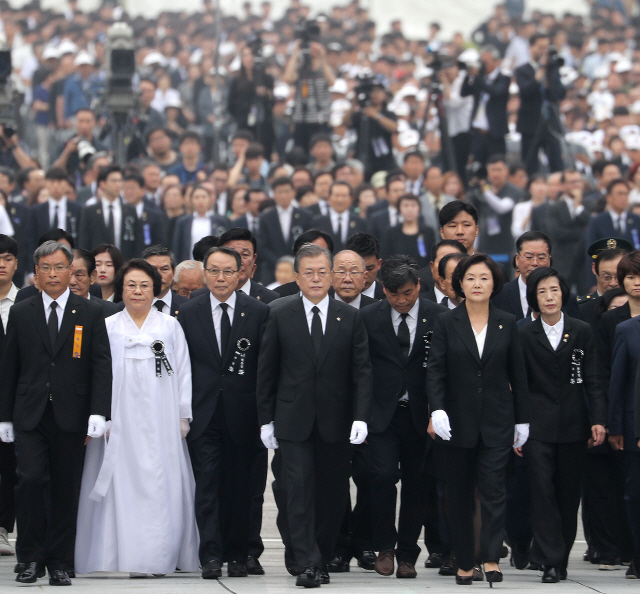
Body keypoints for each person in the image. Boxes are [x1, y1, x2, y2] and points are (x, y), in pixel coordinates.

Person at [257, 243, 372, 587]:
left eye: (323, 271)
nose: (317, 278)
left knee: (332, 495)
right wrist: (266, 419)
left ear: (332, 275)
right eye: (309, 272)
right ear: (297, 277)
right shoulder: (279, 312)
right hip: (293, 421)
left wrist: (361, 417)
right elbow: (267, 371)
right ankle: (306, 561)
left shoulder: (350, 316)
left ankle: (319, 556)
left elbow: (362, 372)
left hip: (336, 423)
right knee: (298, 491)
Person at [74, 259, 199, 576]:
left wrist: (183, 415)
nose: (138, 291)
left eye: (144, 285)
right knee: (120, 483)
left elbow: (183, 372)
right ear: (121, 289)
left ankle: (158, 554)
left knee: (159, 482)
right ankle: (115, 555)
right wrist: (99, 415)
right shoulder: (110, 325)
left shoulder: (169, 326)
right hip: (119, 419)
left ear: (155, 289)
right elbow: (97, 372)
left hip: (161, 418)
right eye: (131, 285)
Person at [0, 240, 111, 586]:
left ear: (71, 271)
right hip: (29, 414)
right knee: (30, 481)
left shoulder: (90, 312)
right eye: (45, 267)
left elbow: (101, 365)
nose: (52, 274)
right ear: (35, 273)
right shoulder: (22, 311)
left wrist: (99, 411)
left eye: (59, 267)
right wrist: (4, 416)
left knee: (66, 488)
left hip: (72, 414)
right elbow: (10, 367)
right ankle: (30, 559)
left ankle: (61, 560)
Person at [426, 253, 529, 586]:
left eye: (484, 278)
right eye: (470, 278)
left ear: (494, 283)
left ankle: (491, 557)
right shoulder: (446, 321)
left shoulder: (507, 321)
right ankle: (464, 560)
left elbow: (519, 374)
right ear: (460, 283)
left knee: (494, 491)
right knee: (457, 494)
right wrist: (436, 409)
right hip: (456, 422)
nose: (477, 284)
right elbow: (435, 370)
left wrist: (522, 421)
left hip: (498, 421)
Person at [178, 247, 269, 578]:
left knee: (241, 488)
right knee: (207, 487)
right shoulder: (189, 312)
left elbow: (264, 366)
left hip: (245, 415)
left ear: (240, 273)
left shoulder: (257, 312)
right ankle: (211, 555)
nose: (220, 277)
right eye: (214, 271)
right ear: (205, 274)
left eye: (227, 271)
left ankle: (238, 553)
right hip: (203, 415)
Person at [519, 267, 606, 582]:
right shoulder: (524, 334)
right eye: (542, 291)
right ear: (534, 299)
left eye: (554, 289)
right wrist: (518, 426)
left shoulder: (581, 330)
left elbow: (593, 379)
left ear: (563, 293)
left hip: (573, 424)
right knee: (541, 491)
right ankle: (552, 560)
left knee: (568, 495)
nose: (549, 296)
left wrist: (598, 420)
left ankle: (558, 556)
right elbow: (518, 382)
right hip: (536, 427)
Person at [361, 255, 445, 579]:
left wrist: (438, 411)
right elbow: (362, 368)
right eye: (394, 294)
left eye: (407, 293)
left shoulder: (438, 317)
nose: (401, 300)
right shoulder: (369, 317)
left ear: (418, 286)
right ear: (383, 289)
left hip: (421, 414)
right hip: (382, 414)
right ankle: (385, 546)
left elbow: (442, 368)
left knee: (417, 483)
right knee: (381, 477)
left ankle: (408, 553)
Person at [492, 231, 579, 321]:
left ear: (549, 260)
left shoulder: (565, 298)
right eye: (529, 257)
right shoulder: (499, 296)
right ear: (517, 259)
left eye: (541, 258)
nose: (535, 263)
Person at [515, 34, 566, 175]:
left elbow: (559, 94)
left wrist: (549, 79)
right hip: (530, 124)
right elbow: (526, 92)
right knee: (529, 164)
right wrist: (540, 72)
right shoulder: (522, 70)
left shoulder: (553, 69)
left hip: (551, 124)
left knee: (557, 164)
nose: (544, 52)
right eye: (540, 48)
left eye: (546, 48)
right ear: (531, 48)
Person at [78, 165, 144, 259]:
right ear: (102, 184)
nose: (118, 184)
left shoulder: (130, 211)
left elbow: (138, 242)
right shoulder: (90, 211)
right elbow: (84, 242)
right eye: (114, 181)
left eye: (120, 181)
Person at [461, 46, 510, 169]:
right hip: (477, 133)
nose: (483, 66)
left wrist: (477, 77)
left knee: (496, 167)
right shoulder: (479, 79)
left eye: (485, 62)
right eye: (481, 62)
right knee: (476, 168)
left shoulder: (504, 79)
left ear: (496, 62)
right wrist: (468, 75)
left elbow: (494, 92)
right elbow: (464, 92)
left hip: (494, 134)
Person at [257, 177, 313, 285]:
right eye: (280, 192)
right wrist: (280, 264)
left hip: (299, 268)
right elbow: (261, 246)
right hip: (271, 269)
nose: (283, 196)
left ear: (294, 193)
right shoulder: (265, 217)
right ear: (273, 194)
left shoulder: (305, 216)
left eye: (287, 191)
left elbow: (308, 243)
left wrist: (294, 264)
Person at [0, 234, 19, 557]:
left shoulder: (28, 299)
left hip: (19, 398)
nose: (0, 264)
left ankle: (4, 527)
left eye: (7, 258)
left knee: (13, 466)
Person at [24, 168, 83, 259]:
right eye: (51, 182)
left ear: (67, 184)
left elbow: (82, 238)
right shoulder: (35, 211)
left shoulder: (78, 210)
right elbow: (30, 240)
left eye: (59, 182)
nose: (55, 186)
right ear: (45, 184)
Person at [172, 184, 230, 263]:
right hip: (189, 265)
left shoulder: (220, 221)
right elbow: (177, 247)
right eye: (197, 197)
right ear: (191, 200)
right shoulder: (183, 222)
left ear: (209, 199)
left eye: (204, 197)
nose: (200, 200)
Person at [311, 181, 367, 252]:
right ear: (329, 198)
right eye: (337, 195)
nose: (340, 200)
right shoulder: (317, 222)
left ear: (351, 199)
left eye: (344, 196)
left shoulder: (360, 223)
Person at [68, 248, 121, 317]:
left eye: (79, 275)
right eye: (68, 275)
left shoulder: (110, 311)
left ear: (92, 277)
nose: (72, 282)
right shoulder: (53, 308)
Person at [386, 194, 435, 267]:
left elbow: (431, 258)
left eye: (413, 205)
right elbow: (386, 258)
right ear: (399, 209)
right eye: (405, 206)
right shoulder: (391, 233)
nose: (409, 209)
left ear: (419, 209)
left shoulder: (428, 232)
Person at [142, 245, 188, 317]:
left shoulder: (188, 307)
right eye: (153, 269)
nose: (158, 275)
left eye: (164, 269)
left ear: (174, 272)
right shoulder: (127, 306)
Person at [345, 232, 386, 300]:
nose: (364, 275)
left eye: (370, 269)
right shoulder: (332, 297)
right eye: (357, 270)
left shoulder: (389, 298)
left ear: (379, 264)